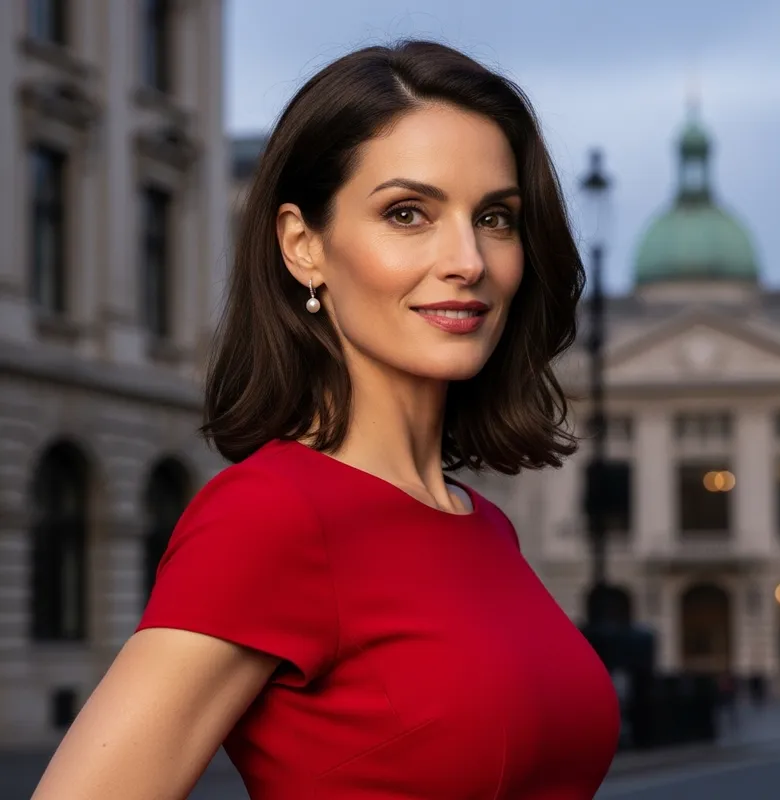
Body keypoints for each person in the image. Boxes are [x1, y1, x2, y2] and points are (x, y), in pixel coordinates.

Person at [31, 39, 620, 799]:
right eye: (408, 213)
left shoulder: (483, 525)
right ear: (303, 246)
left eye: (496, 218)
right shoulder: (270, 516)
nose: (468, 259)